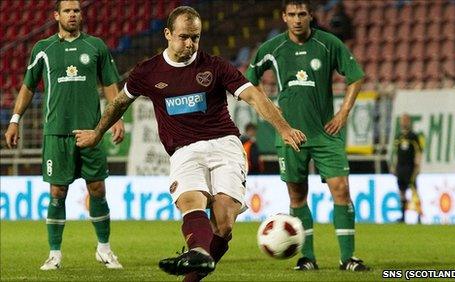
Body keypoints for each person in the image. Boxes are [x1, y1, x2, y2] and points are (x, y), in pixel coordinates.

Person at [73, 6, 306, 281]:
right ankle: (197, 252)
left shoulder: (215, 66)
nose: (190, 44)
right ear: (168, 34)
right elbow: (119, 102)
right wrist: (97, 133)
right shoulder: (148, 71)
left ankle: (194, 265)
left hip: (225, 144)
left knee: (224, 223)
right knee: (190, 200)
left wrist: (283, 127)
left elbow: (254, 96)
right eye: (184, 37)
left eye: (195, 37)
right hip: (184, 149)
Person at [246, 0, 369, 271]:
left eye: (302, 14)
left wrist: (343, 114)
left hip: (326, 133)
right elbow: (249, 82)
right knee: (297, 196)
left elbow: (356, 77)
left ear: (310, 16)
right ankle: (307, 258)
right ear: (284, 17)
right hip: (290, 136)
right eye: (292, 14)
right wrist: (271, 109)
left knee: (341, 190)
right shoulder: (273, 48)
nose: (298, 19)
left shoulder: (328, 43)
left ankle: (348, 258)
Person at [4, 0, 124, 270]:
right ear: (56, 15)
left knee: (98, 189)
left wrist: (116, 119)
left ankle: (104, 248)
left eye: (77, 10)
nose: (72, 15)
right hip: (56, 133)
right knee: (57, 192)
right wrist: (14, 120)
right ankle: (55, 254)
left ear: (81, 15)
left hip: (91, 131)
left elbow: (109, 85)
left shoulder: (96, 46)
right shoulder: (43, 49)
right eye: (67, 11)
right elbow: (27, 87)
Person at [391, 114, 423, 223]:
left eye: (406, 120)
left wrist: (417, 166)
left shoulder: (413, 136)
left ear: (409, 122)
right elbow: (396, 153)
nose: (404, 122)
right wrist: (394, 166)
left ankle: (419, 216)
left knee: (414, 191)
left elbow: (419, 152)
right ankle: (403, 216)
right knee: (402, 191)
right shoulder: (398, 136)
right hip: (400, 167)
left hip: (410, 167)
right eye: (402, 120)